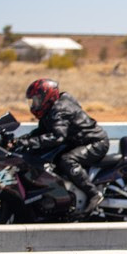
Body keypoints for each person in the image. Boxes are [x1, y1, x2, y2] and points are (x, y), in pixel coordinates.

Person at [16, 78, 109, 214]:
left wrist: (28, 142)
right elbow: (41, 132)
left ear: (47, 97)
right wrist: (20, 140)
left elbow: (57, 136)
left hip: (95, 142)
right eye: (32, 101)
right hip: (77, 141)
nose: (34, 105)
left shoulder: (59, 110)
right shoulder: (51, 109)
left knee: (67, 160)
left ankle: (94, 194)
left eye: (36, 100)